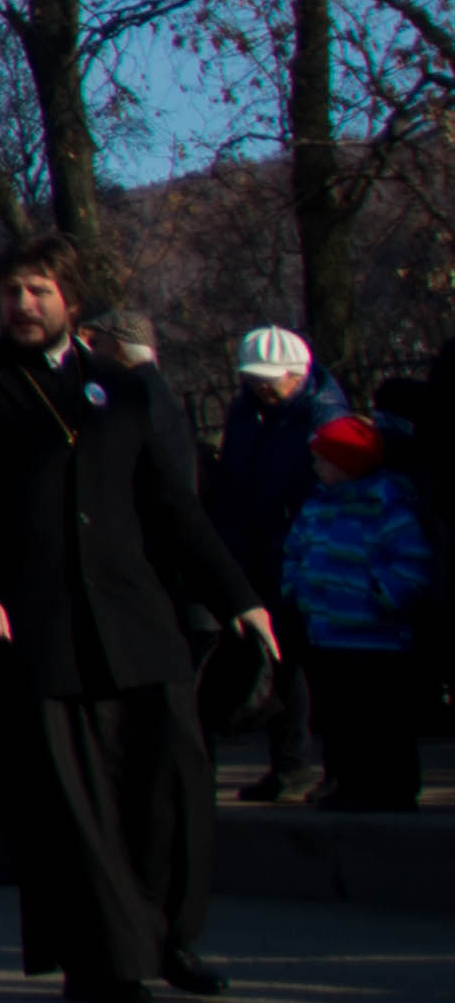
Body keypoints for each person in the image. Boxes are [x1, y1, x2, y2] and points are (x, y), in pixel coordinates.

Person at [0, 241, 274, 1003]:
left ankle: (169, 938)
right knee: (72, 805)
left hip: (134, 617)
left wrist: (238, 596)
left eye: (38, 290)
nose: (22, 305)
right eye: (9, 291)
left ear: (69, 301)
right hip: (32, 625)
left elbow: (171, 506)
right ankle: (102, 958)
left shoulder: (123, 388)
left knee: (170, 781)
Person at [211, 329, 344, 800]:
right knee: (279, 662)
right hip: (260, 545)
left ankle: (311, 766)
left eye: (271, 380)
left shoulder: (321, 413)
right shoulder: (249, 411)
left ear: (298, 375)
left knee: (308, 666)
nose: (262, 387)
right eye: (254, 379)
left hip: (302, 552)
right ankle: (288, 764)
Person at [279, 417, 432, 815]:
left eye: (324, 461)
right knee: (341, 719)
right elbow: (296, 551)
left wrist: (382, 596)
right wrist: (296, 588)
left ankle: (394, 786)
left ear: (349, 463)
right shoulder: (316, 506)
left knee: (383, 719)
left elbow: (411, 563)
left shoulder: (387, 507)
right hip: (328, 633)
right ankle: (350, 784)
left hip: (377, 638)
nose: (317, 468)